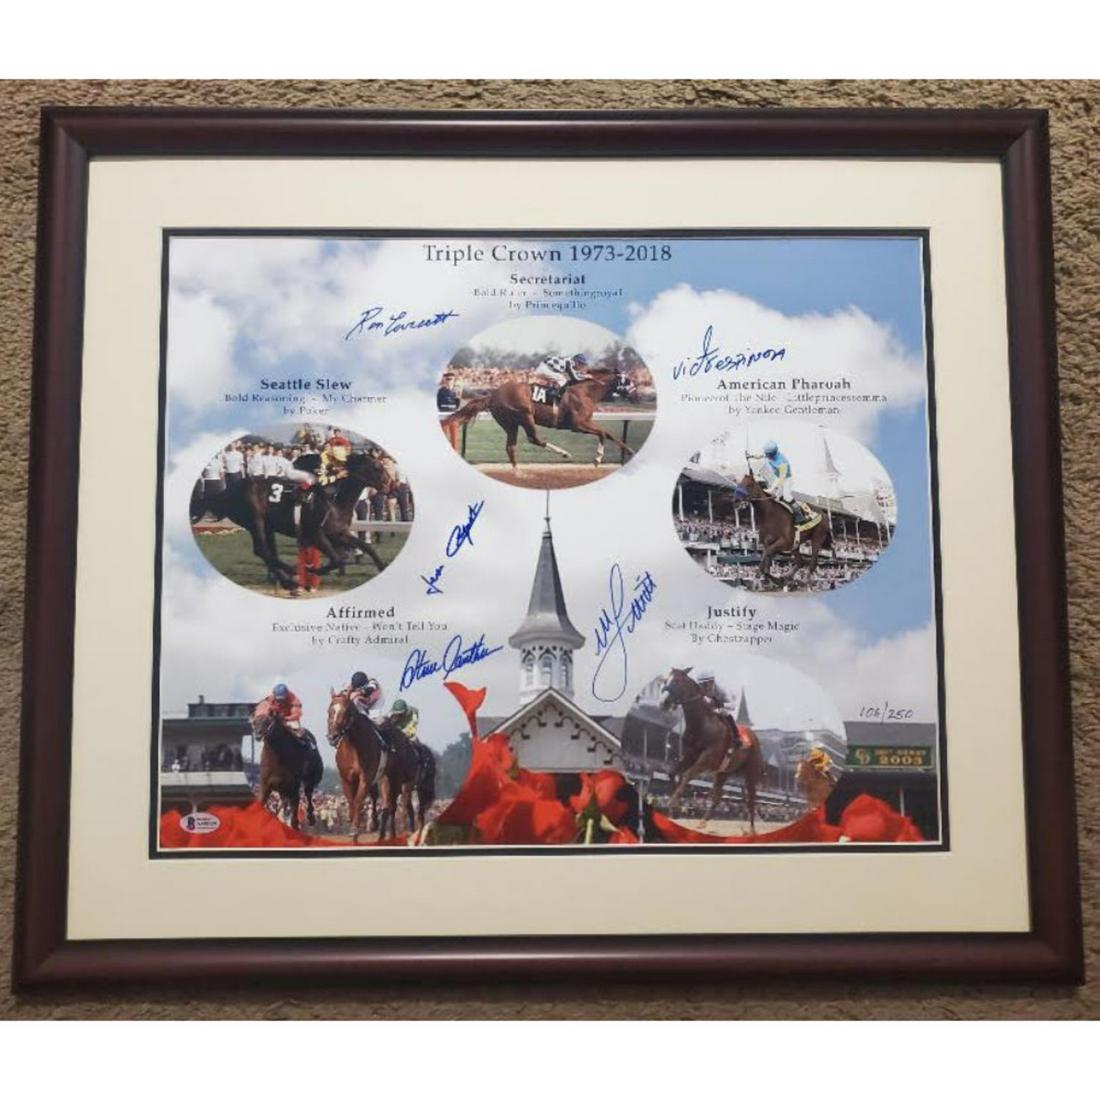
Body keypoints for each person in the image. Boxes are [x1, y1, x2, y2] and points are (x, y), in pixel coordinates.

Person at [749, 440, 814, 526]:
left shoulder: (782, 462)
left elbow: (782, 478)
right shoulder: (770, 455)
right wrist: (751, 456)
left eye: (768, 454)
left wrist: (776, 488)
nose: (767, 456)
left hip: (786, 479)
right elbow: (761, 456)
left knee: (786, 496)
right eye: (766, 454)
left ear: (772, 453)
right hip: (778, 477)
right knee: (772, 494)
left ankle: (800, 515)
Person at [437, 371, 462, 451]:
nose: (449, 381)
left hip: (453, 416)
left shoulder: (456, 391)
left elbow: (457, 405)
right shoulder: (440, 391)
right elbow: (438, 404)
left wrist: (458, 398)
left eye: (450, 379)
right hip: (443, 416)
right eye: (447, 379)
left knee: (454, 438)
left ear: (454, 380)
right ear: (444, 380)